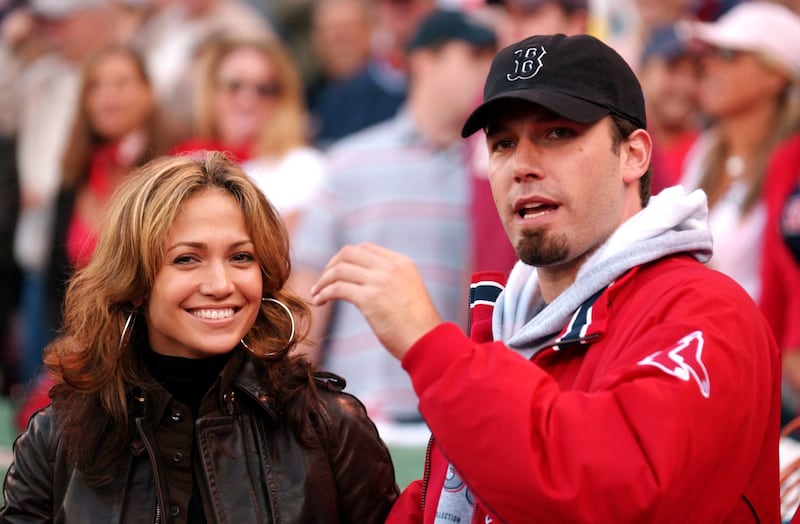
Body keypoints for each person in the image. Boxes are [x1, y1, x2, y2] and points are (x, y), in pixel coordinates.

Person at [310, 33, 780, 522]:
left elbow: (615, 495)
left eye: (558, 134)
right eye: (503, 143)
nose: (523, 166)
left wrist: (432, 348)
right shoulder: (508, 325)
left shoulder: (704, 311)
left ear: (635, 155)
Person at [0, 151, 399, 522]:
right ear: (136, 282)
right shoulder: (59, 438)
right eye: (187, 259)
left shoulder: (329, 425)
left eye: (241, 257)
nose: (221, 284)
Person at [289, 8, 496, 424]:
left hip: (452, 411)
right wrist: (293, 404)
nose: (487, 71)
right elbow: (308, 292)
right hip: (354, 408)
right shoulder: (351, 161)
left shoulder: (494, 171)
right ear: (424, 60)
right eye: (473, 56)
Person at [13, 43, 178, 431]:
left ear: (148, 93)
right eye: (96, 86)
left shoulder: (172, 176)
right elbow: (58, 285)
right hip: (82, 358)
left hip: (154, 360)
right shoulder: (72, 184)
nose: (109, 96)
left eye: (122, 83)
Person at [679, 1, 800, 301]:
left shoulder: (793, 165)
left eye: (729, 55)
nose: (708, 65)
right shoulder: (705, 151)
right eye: (708, 54)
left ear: (776, 75)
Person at [172, 35, 326, 234]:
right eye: (234, 85)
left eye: (264, 89)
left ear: (282, 99)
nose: (247, 100)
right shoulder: (183, 161)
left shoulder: (303, 167)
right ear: (212, 91)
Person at [638, 23, 701, 193]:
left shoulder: (708, 153)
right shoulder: (618, 141)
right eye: (672, 68)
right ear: (642, 73)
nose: (686, 85)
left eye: (698, 72)